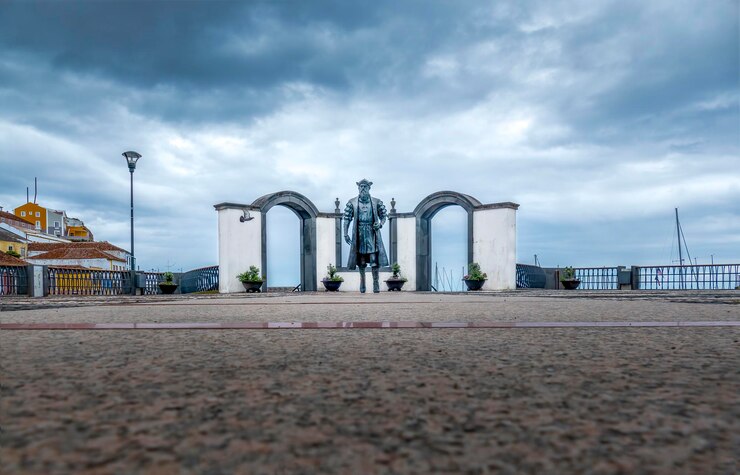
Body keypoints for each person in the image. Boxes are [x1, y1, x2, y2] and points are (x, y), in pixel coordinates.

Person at [343, 179, 389, 293]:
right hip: (359, 233)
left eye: (365, 186)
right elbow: (347, 218)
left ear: (369, 188)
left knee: (374, 259)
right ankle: (362, 282)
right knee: (361, 260)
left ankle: (375, 283)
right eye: (361, 186)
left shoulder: (376, 202)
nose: (363, 188)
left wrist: (380, 224)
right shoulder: (352, 202)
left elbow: (384, 215)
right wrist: (345, 233)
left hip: (372, 233)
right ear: (358, 188)